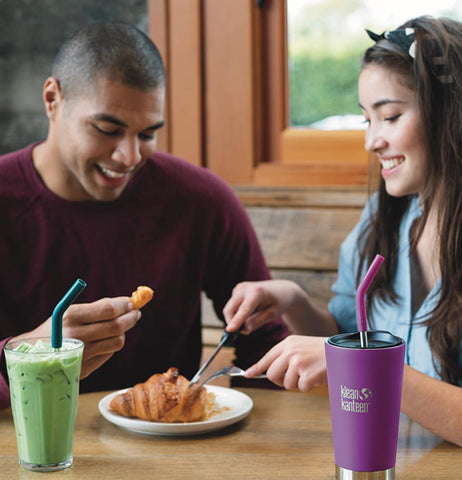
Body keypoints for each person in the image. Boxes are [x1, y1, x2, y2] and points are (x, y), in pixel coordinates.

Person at [0, 21, 289, 409]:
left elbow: (266, 350)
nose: (130, 156)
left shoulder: (201, 201)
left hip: (171, 454)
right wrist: (27, 353)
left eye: (148, 134)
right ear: (53, 99)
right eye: (107, 129)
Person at [224, 15, 462, 446]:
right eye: (366, 120)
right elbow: (353, 330)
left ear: (450, 111)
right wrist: (293, 300)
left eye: (389, 116)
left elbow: (357, 358)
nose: (372, 141)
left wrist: (359, 367)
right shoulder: (383, 220)